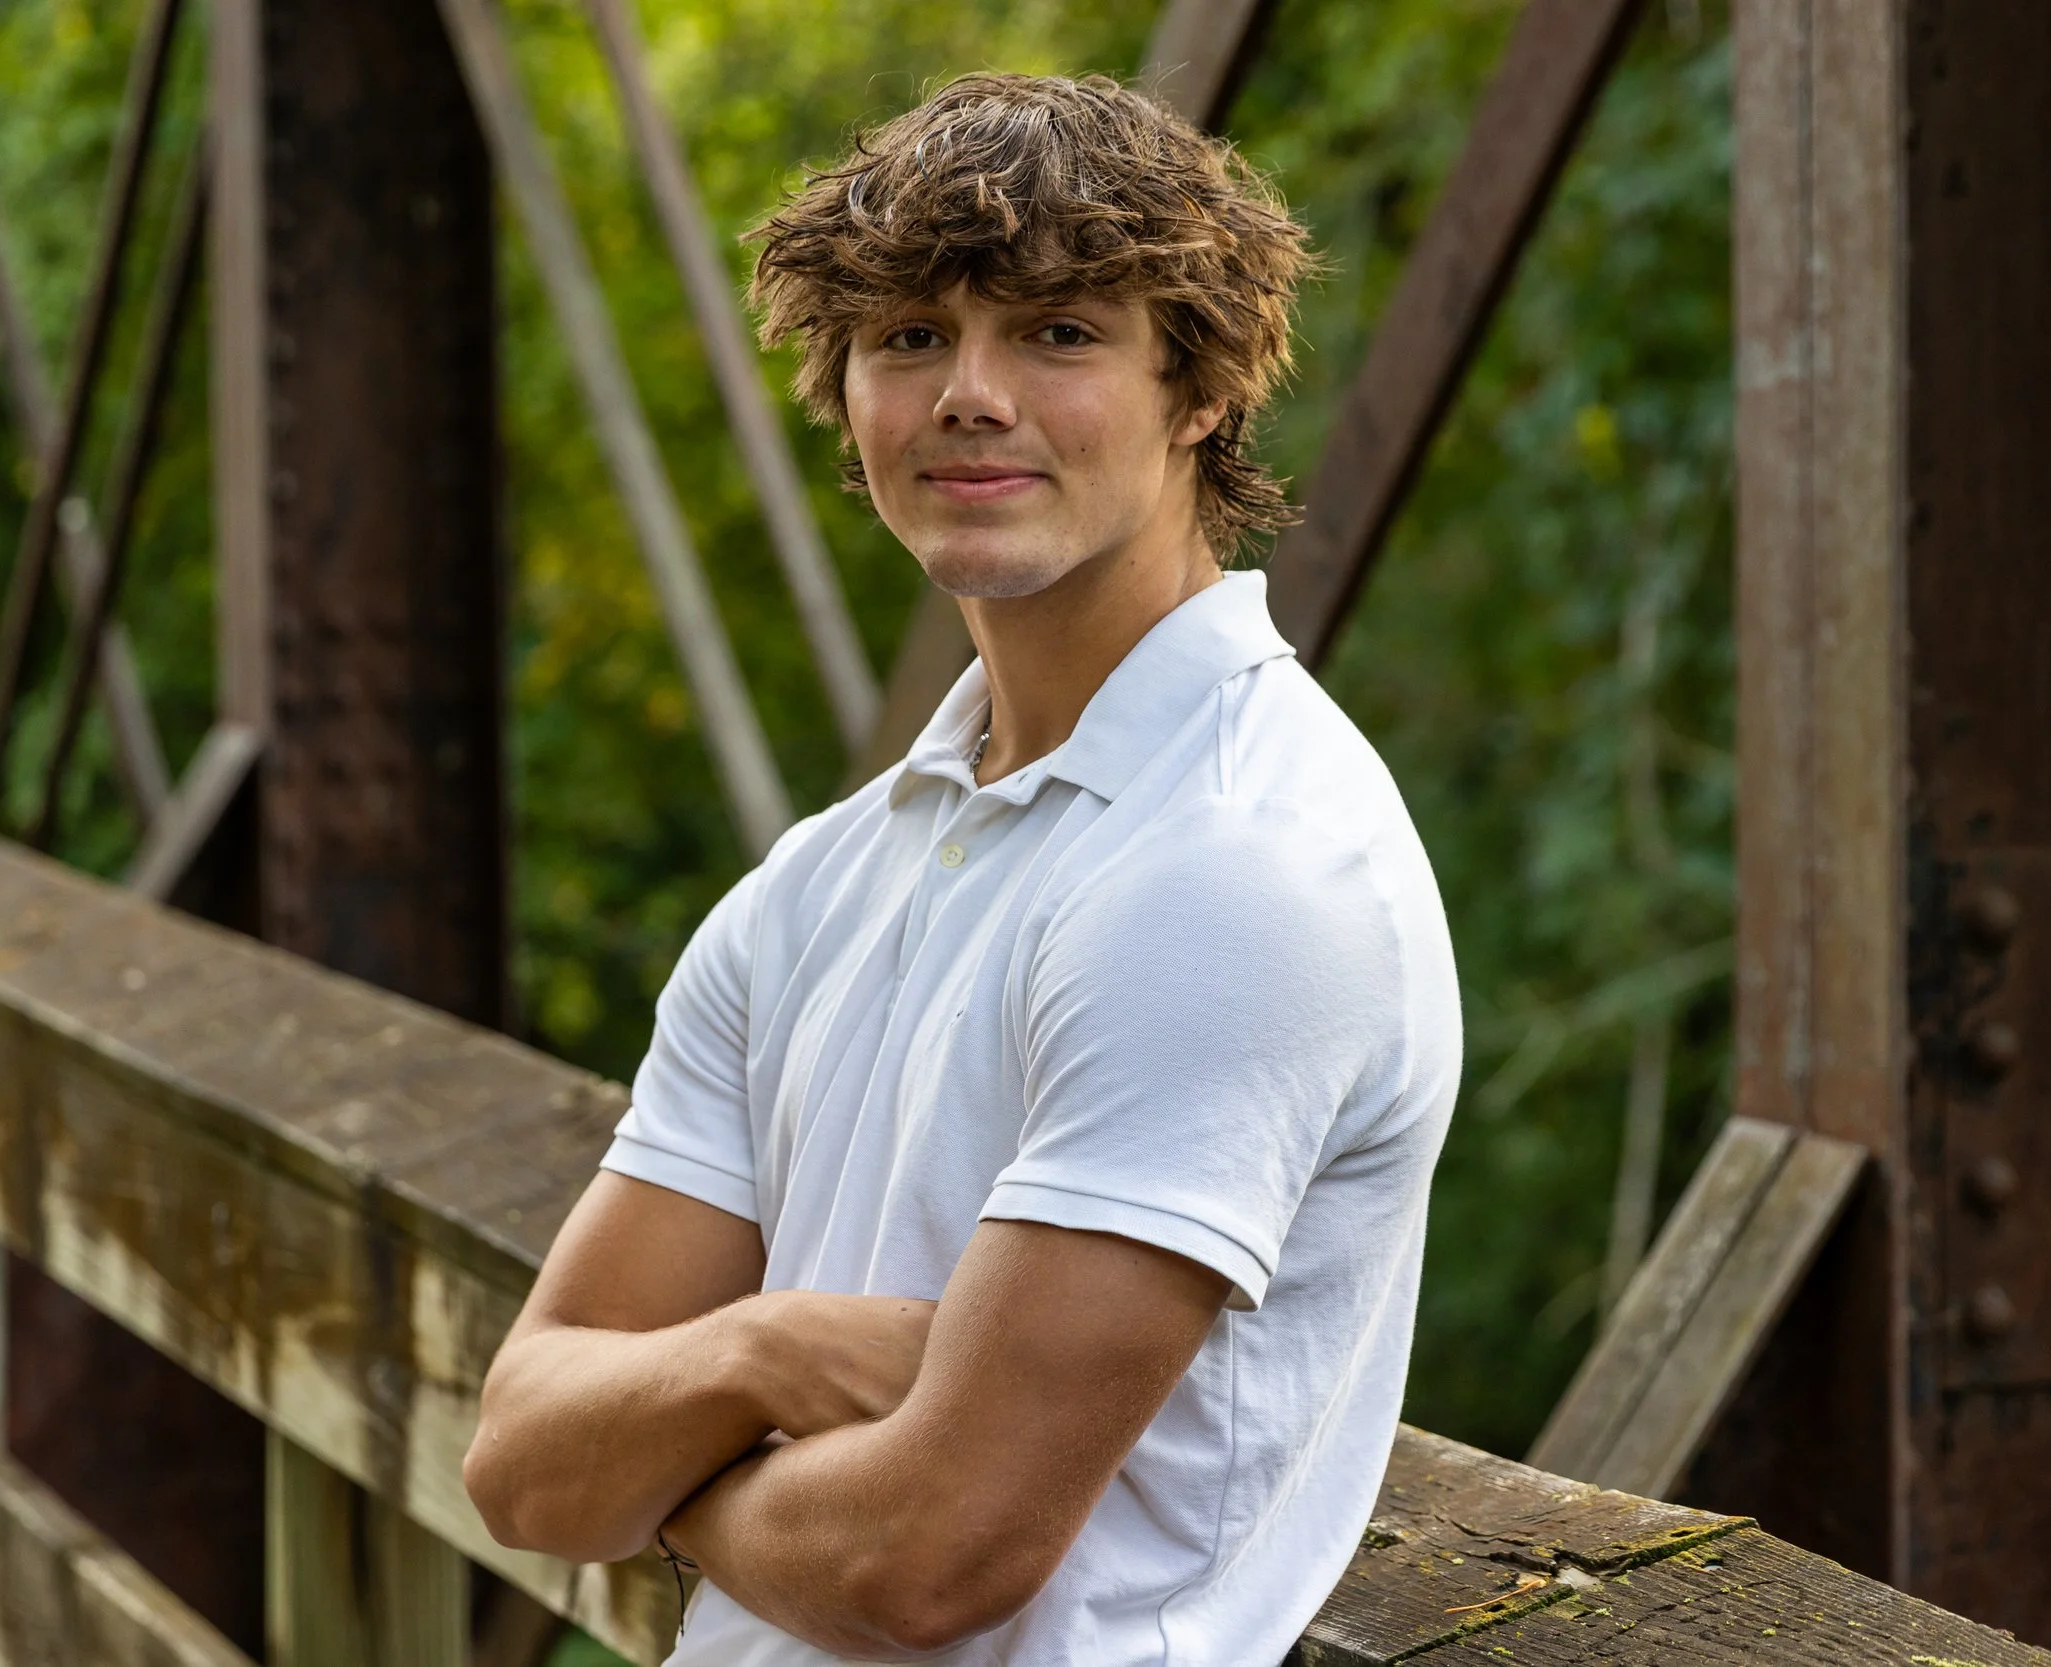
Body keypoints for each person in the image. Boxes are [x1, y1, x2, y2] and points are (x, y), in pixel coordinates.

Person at [463, 71, 1460, 1665]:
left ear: (1198, 389)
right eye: (910, 337)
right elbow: (519, 1459)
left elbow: (924, 1560)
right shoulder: (820, 882)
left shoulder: (1237, 873)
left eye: (1060, 333)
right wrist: (767, 1353)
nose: (969, 394)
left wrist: (671, 1478)